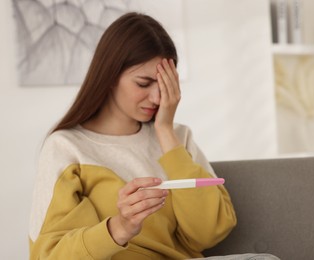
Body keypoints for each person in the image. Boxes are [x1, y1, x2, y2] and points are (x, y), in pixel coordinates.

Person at [29, 12, 279, 260]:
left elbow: (209, 233)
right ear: (109, 76)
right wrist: (120, 227)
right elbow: (49, 255)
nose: (158, 98)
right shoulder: (66, 148)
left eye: (165, 85)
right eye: (143, 83)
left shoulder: (178, 137)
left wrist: (165, 132)